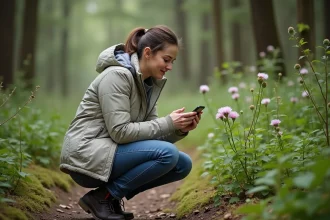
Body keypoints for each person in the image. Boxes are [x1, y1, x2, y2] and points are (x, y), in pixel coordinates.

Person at [59, 25, 202, 220]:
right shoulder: (117, 76)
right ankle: (103, 197)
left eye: (173, 62)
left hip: (109, 152)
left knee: (182, 164)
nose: (170, 67)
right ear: (148, 53)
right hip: (86, 155)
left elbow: (151, 134)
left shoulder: (147, 84)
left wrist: (178, 129)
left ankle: (109, 198)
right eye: (166, 60)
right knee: (168, 154)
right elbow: (120, 131)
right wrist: (168, 122)